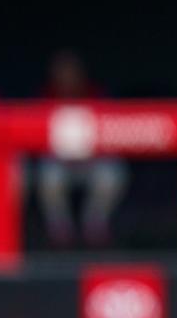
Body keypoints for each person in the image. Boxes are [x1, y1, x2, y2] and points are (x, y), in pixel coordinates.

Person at [36, 50, 127, 247]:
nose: (67, 78)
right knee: (49, 174)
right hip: (59, 161)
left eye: (71, 73)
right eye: (62, 73)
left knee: (112, 172)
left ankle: (94, 225)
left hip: (91, 160)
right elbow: (37, 140)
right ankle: (60, 231)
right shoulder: (47, 97)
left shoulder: (95, 95)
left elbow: (110, 135)